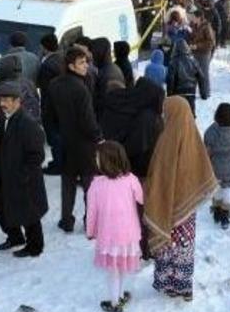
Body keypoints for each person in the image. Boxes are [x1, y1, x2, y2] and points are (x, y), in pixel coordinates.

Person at [144, 96, 218, 302]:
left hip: (167, 205)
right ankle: (183, 285)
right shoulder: (194, 136)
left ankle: (167, 283)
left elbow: (157, 174)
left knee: (168, 244)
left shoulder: (166, 139)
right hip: (187, 209)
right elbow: (202, 169)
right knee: (184, 246)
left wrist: (156, 194)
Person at [48, 47, 104, 233]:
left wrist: (57, 134)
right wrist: (98, 137)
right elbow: (87, 119)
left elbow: (48, 114)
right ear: (71, 66)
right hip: (85, 143)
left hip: (65, 141)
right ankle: (91, 221)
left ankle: (66, 220)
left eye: (86, 61)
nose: (86, 66)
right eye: (81, 63)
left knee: (68, 183)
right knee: (90, 185)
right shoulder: (81, 88)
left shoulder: (54, 84)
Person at [0, 82, 48, 257]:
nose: (2, 104)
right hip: (6, 175)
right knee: (4, 207)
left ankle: (35, 246)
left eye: (6, 100)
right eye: (0, 100)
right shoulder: (5, 118)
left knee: (29, 213)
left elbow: (37, 155)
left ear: (17, 101)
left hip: (23, 179)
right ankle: (15, 237)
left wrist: (23, 176)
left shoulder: (27, 124)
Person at [86, 141, 143, 312]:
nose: (95, 160)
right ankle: (119, 295)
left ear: (106, 161)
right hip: (129, 234)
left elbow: (92, 212)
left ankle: (114, 301)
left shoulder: (96, 185)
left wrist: (90, 232)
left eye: (97, 158)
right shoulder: (131, 179)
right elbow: (141, 199)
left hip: (109, 237)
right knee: (123, 265)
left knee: (113, 271)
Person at [100, 78, 164, 179]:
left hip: (116, 162)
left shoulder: (126, 102)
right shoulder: (147, 115)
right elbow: (138, 144)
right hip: (137, 169)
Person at [37, 34, 65, 175]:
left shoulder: (47, 65)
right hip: (63, 105)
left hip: (51, 107)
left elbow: (46, 90)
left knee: (54, 137)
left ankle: (58, 164)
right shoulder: (62, 59)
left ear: (44, 47)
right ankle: (60, 161)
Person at [166, 39, 207, 114]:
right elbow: (201, 77)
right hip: (191, 92)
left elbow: (170, 80)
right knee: (190, 114)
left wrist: (169, 95)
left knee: (178, 114)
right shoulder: (193, 61)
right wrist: (203, 93)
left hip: (178, 93)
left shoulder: (173, 62)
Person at [89, 37, 125, 120]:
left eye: (93, 53)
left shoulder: (109, 73)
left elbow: (109, 101)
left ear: (99, 53)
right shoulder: (106, 68)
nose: (91, 56)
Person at [189, 10, 216, 97]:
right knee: (194, 73)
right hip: (195, 52)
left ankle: (205, 93)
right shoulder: (194, 25)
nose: (192, 18)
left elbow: (210, 42)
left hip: (204, 53)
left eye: (193, 17)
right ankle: (194, 92)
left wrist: (197, 46)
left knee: (203, 74)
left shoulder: (207, 27)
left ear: (199, 18)